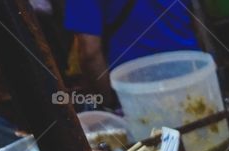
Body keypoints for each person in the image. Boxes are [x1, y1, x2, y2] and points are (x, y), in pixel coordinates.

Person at [65, 0, 199, 103]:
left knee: (160, 137)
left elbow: (90, 53)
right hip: (193, 75)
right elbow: (196, 15)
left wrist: (107, 103)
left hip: (137, 94)